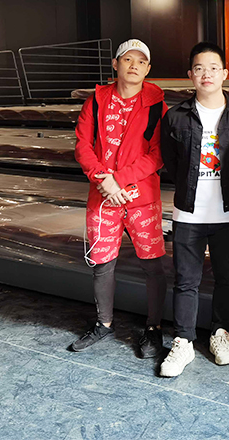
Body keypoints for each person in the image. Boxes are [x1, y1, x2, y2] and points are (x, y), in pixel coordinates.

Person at [159, 42, 229, 377]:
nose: (206, 74)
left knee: (226, 278)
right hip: (189, 214)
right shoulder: (175, 116)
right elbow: (170, 161)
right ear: (190, 74)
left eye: (213, 68)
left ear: (225, 73)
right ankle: (183, 341)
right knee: (186, 280)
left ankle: (219, 334)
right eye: (199, 68)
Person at [71, 39, 168, 359]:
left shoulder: (157, 105)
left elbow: (159, 154)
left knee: (153, 266)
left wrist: (120, 180)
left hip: (142, 198)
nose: (134, 65)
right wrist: (104, 181)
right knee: (102, 264)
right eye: (127, 59)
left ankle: (153, 328)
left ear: (148, 68)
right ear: (115, 64)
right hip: (103, 198)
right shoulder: (96, 101)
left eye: (141, 61)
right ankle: (104, 323)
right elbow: (83, 145)